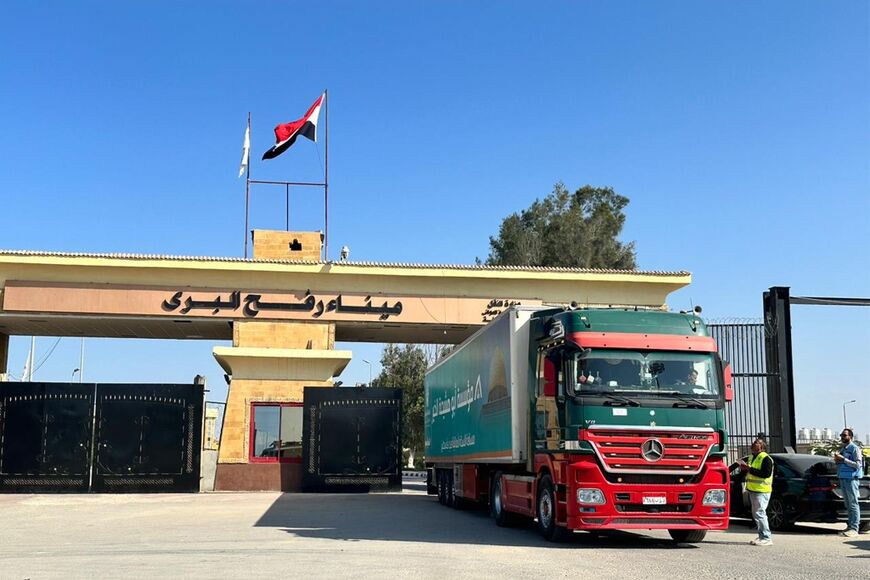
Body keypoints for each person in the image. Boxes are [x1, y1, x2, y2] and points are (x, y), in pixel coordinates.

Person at [739, 438, 774, 546]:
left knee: (760, 514)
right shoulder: (751, 457)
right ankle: (761, 536)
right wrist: (744, 469)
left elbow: (766, 474)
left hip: (762, 491)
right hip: (753, 490)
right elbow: (749, 472)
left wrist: (749, 469)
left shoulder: (766, 458)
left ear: (762, 447)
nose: (754, 444)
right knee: (756, 514)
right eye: (754, 442)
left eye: (757, 443)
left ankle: (766, 538)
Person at [833, 428, 863, 537]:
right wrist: (837, 460)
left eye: (844, 435)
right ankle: (850, 526)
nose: (842, 437)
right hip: (843, 478)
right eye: (841, 435)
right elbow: (841, 462)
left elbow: (858, 465)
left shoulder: (854, 449)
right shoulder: (843, 449)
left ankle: (855, 528)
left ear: (850, 437)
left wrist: (843, 459)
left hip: (851, 479)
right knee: (848, 504)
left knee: (853, 503)